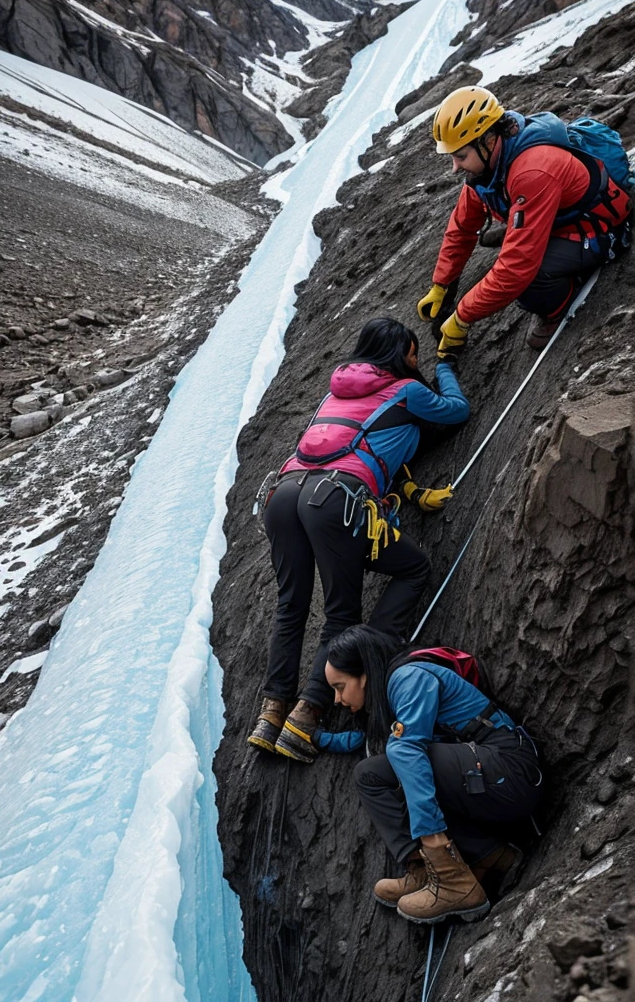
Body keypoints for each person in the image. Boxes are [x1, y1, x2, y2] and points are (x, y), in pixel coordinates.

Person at [247, 316, 470, 763]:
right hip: (336, 499)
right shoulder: (406, 391)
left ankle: (271, 714)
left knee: (291, 605)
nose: (415, 360)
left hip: (284, 492)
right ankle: (307, 716)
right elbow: (456, 409)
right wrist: (445, 363)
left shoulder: (333, 392)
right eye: (412, 353)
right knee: (385, 586)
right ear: (398, 355)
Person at [325, 626, 543, 924]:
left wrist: (433, 840)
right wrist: (317, 739)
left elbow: (407, 750)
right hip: (487, 776)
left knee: (403, 755)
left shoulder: (408, 677)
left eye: (339, 687)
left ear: (363, 675)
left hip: (511, 773)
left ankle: (449, 876)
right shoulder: (395, 687)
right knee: (371, 774)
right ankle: (462, 861)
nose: (337, 699)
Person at [418, 86, 633, 351]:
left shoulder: (532, 171)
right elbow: (462, 227)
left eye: (460, 156)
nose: (455, 166)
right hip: (559, 217)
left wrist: (462, 318)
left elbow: (516, 270)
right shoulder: (489, 166)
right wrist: (442, 285)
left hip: (598, 227)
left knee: (528, 283)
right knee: (511, 250)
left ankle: (561, 304)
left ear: (486, 140)